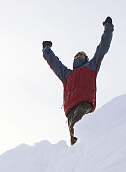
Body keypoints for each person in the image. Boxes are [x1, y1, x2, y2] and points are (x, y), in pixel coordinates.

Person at [42, 17, 114, 145]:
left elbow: (102, 48)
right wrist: (47, 50)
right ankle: (80, 158)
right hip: (70, 111)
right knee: (75, 138)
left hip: (84, 105)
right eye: (76, 56)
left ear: (85, 59)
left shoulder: (90, 67)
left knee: (80, 133)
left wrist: (108, 28)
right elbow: (55, 64)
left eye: (81, 56)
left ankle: (89, 155)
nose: (78, 57)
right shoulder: (67, 75)